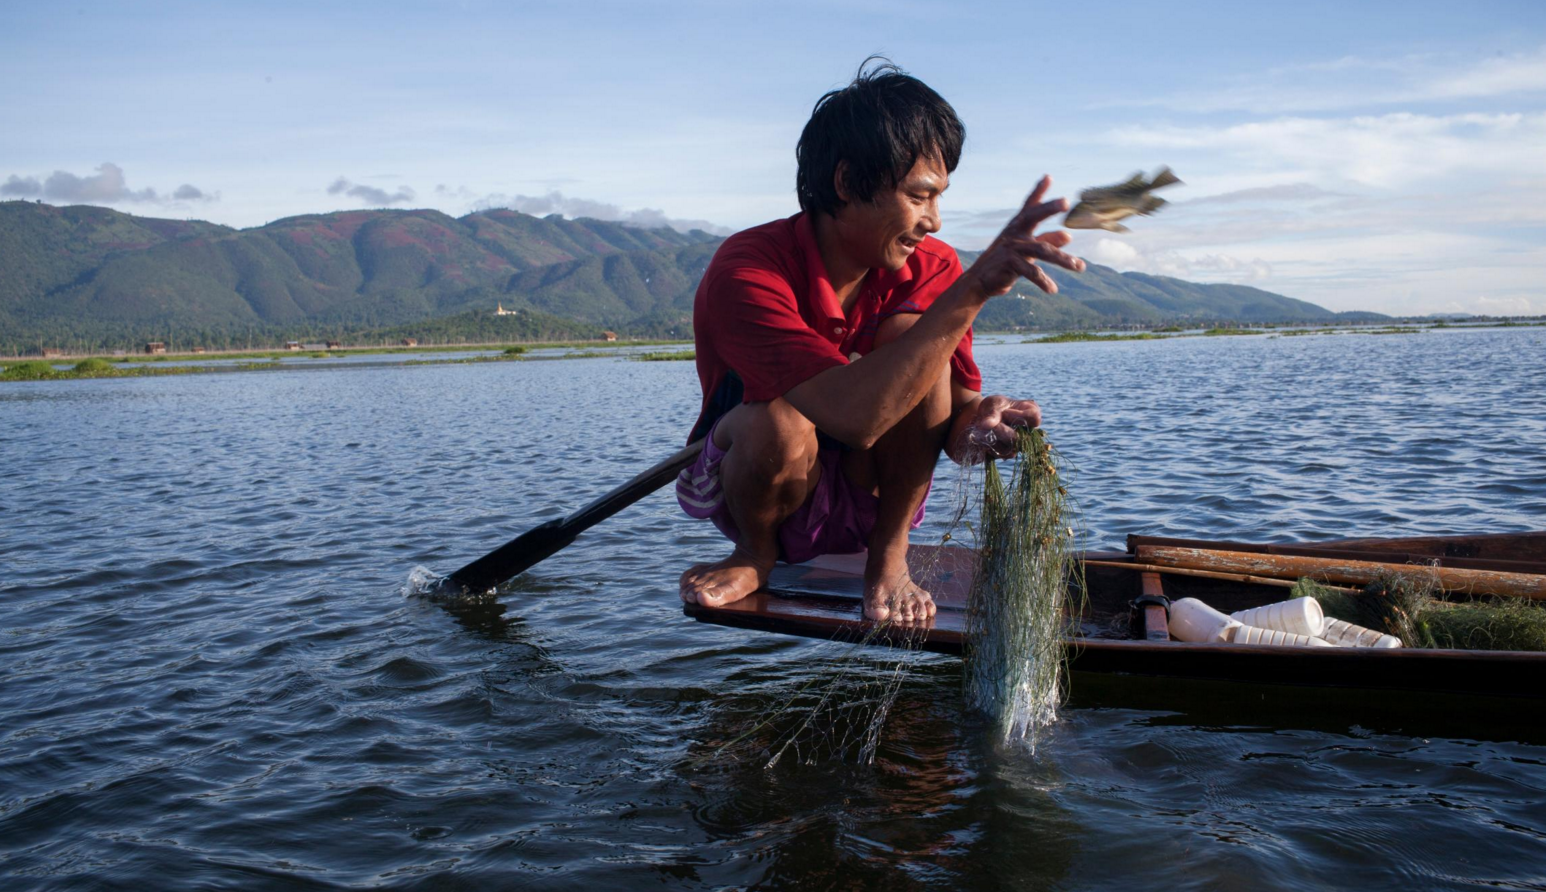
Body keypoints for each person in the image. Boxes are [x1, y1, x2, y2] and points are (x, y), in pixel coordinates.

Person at [676, 60, 1085, 623]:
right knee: (779, 420)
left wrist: (982, 426)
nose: (934, 222)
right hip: (763, 488)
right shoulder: (748, 271)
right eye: (919, 197)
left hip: (874, 496)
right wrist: (972, 292)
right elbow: (856, 418)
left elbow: (952, 418)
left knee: (913, 340)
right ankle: (755, 553)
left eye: (940, 198)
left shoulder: (932, 268)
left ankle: (889, 557)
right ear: (847, 183)